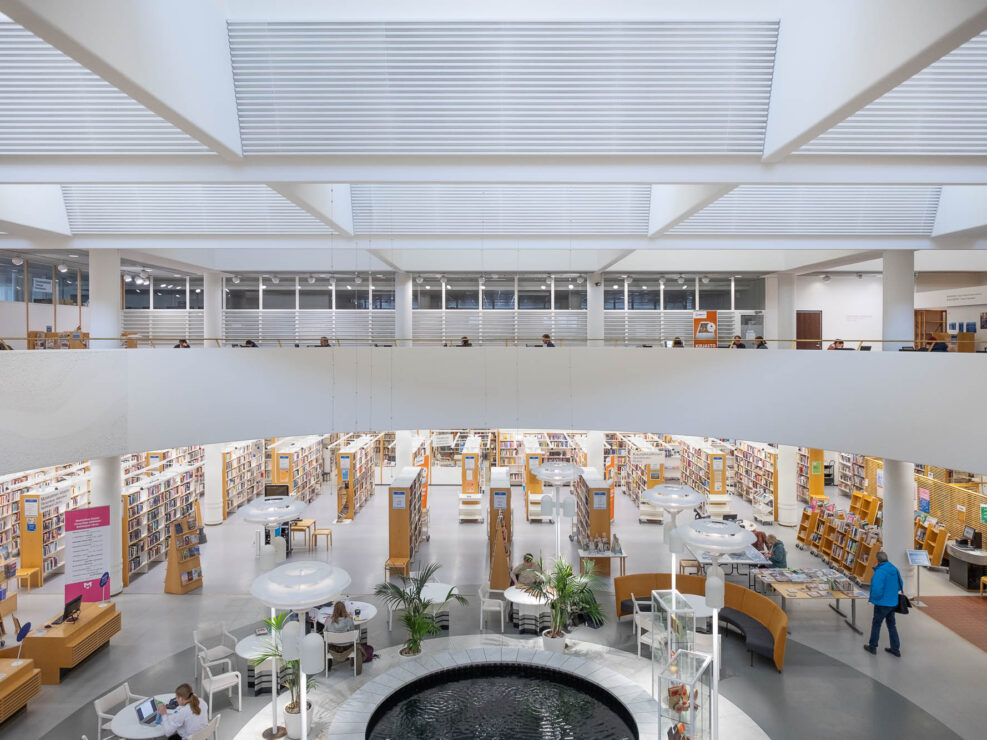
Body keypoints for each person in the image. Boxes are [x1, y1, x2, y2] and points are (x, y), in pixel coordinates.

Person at [865, 551, 902, 657]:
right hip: (893, 602)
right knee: (892, 625)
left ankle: (872, 647)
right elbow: (900, 585)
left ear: (878, 560)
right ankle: (895, 649)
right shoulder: (894, 569)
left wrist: (875, 599)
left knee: (876, 624)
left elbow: (876, 588)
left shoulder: (880, 571)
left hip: (882, 603)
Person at [325, 600, 365, 674]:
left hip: (333, 649)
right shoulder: (349, 620)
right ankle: (357, 671)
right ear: (344, 609)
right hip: (347, 649)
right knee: (358, 647)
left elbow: (325, 631)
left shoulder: (329, 621)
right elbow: (353, 632)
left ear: (334, 610)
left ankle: (328, 667)